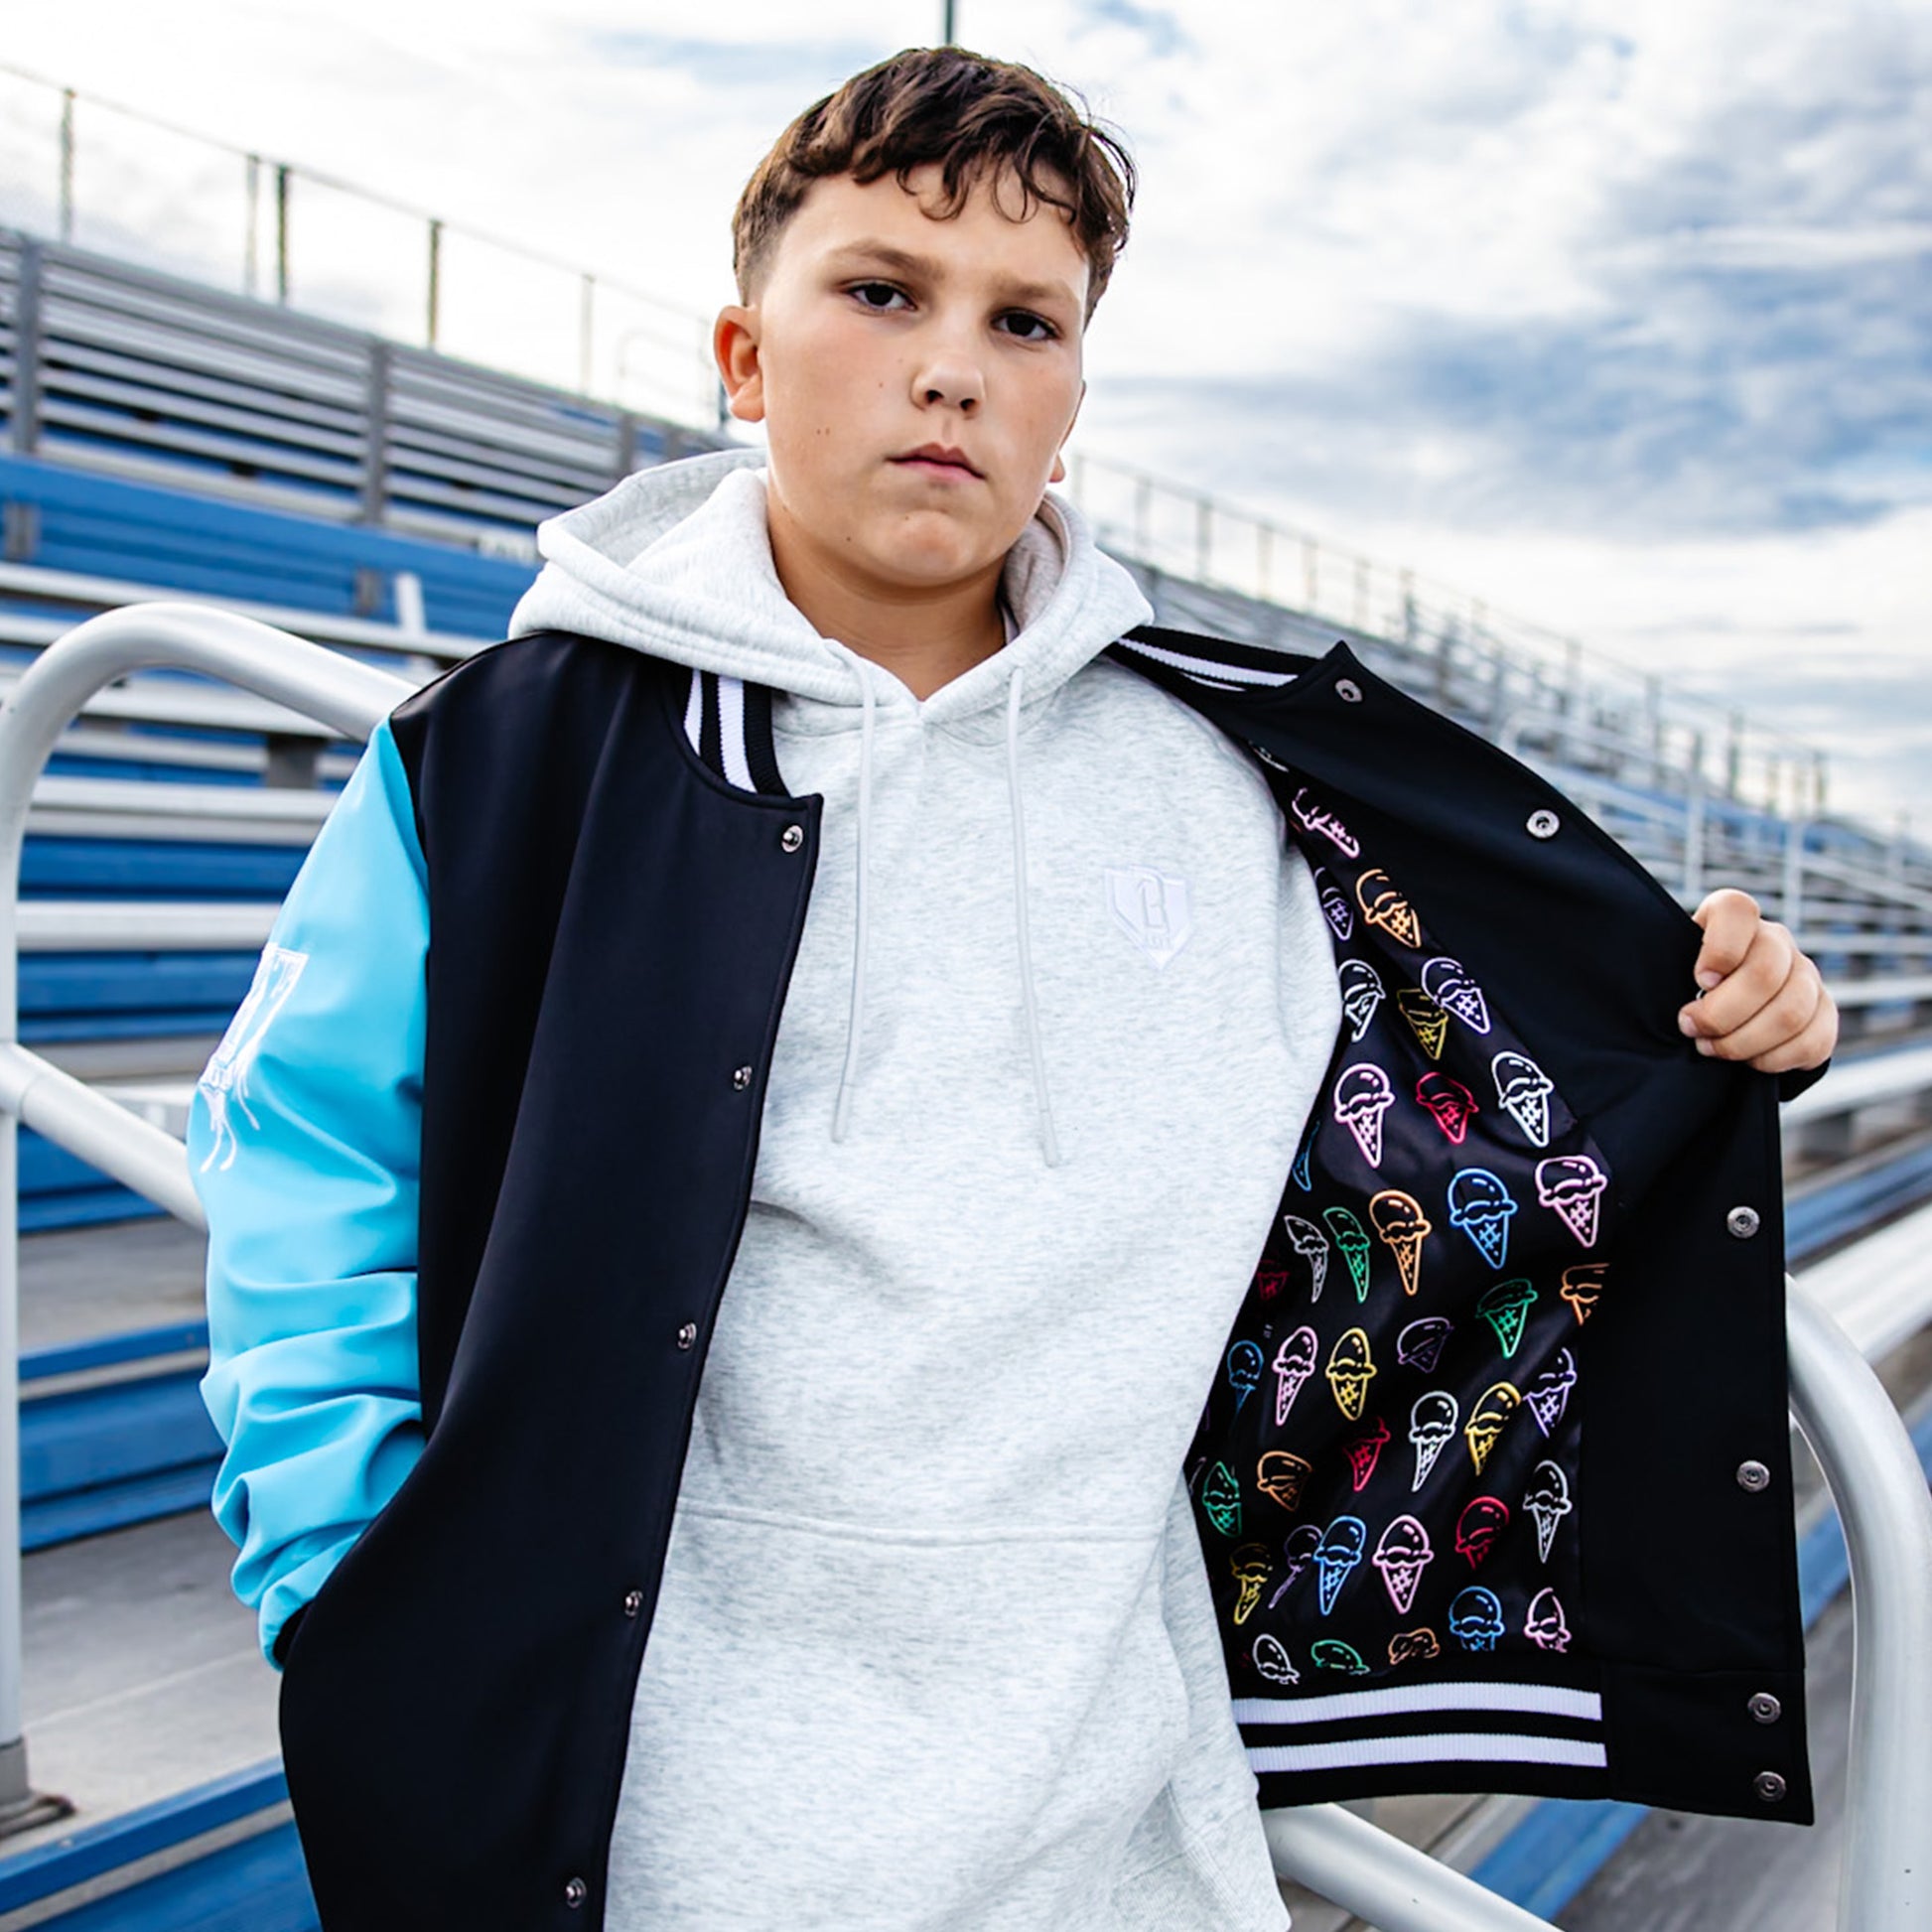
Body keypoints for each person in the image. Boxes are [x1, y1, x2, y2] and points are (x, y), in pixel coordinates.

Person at [190, 44, 1838, 1932]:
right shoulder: (502, 766)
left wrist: (1734, 1008)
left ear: (1070, 395)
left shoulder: (1251, 791)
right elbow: (308, 1174)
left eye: (1024, 321)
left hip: (1110, 1821)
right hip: (643, 1824)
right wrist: (349, 1575)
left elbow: (1493, 1125)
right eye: (881, 292)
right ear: (745, 356)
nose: (952, 364)